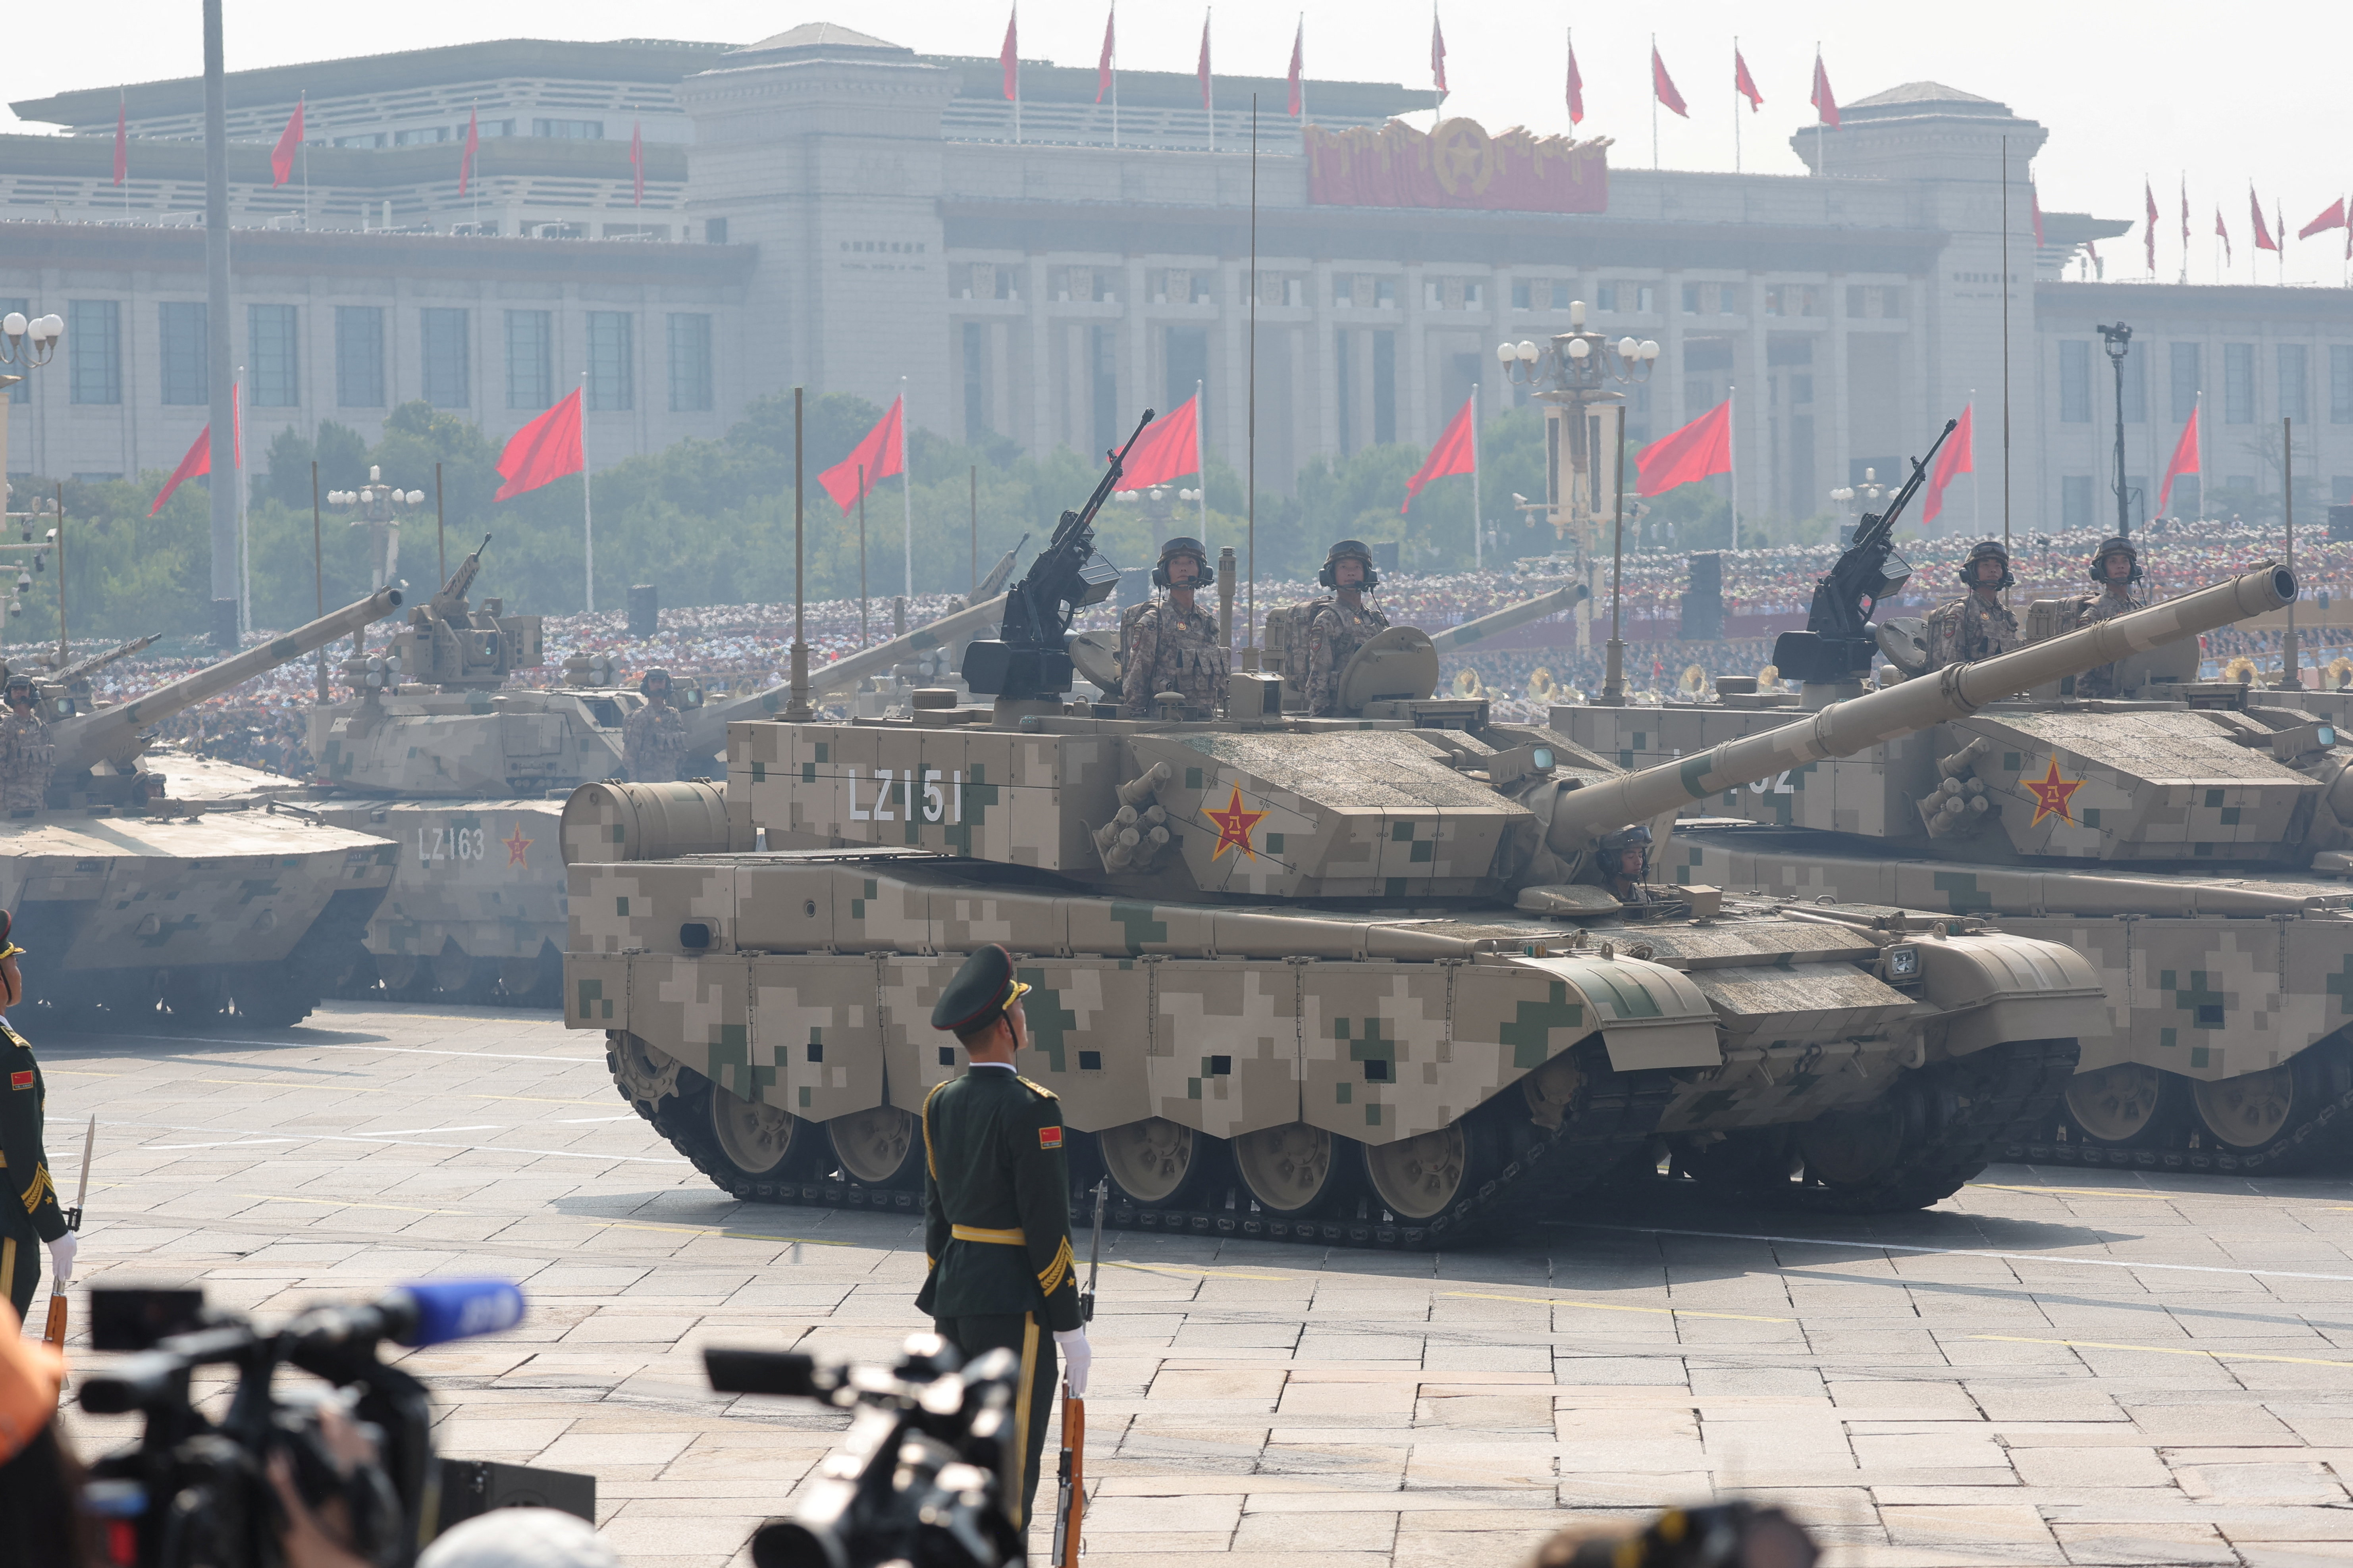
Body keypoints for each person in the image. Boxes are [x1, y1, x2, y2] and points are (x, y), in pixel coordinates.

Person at [918, 943, 1090, 1534]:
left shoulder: (940, 1102)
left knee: (957, 1458)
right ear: (1004, 1026)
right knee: (1010, 1469)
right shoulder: (1033, 1109)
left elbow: (937, 1219)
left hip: (955, 1299)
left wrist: (950, 1286)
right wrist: (1068, 1324)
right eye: (1019, 1009)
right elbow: (1046, 1226)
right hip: (1014, 1305)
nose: (1025, 1018)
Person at [0, 913, 69, 1322]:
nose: (18, 972)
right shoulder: (11, 1055)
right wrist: (55, 1230)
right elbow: (24, 1155)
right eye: (12, 963)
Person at [1119, 537, 1227, 716]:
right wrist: (1134, 719)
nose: (1183, 568)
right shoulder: (1154, 621)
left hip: (1205, 719)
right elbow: (1137, 676)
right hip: (1165, 722)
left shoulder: (1208, 623)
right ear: (1164, 572)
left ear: (1202, 570)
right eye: (1176, 563)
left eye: (1190, 562)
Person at [1305, 540, 1391, 717]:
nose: (1351, 573)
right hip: (1338, 715)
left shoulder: (1375, 620)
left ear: (1367, 575)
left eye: (1357, 568)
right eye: (1344, 567)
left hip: (1370, 711)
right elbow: (1318, 677)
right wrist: (1323, 720)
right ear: (1332, 575)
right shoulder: (1329, 619)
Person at [2068, 536, 2147, 699]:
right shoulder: (2095, 613)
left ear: (2133, 568)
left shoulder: (2139, 609)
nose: (2120, 566)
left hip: (2135, 695)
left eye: (2125, 561)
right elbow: (2083, 669)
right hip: (2105, 699)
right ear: (2101, 570)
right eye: (2113, 562)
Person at [1923, 541, 2018, 670]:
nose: (1993, 570)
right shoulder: (1961, 611)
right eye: (1985, 565)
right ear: (1971, 572)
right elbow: (1952, 664)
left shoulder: (2008, 616)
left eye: (1998, 566)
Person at [621, 668, 689, 783]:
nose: (658, 685)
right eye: (654, 681)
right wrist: (634, 785)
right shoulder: (639, 717)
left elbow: (680, 751)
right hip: (648, 784)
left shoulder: (674, 715)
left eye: (661, 682)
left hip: (671, 780)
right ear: (646, 686)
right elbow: (630, 756)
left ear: (667, 685)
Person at [0, 672, 53, 813]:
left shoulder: (41, 727)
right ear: (9, 696)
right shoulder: (6, 729)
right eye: (14, 690)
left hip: (37, 801)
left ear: (32, 694)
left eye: (23, 689)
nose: (18, 692)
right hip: (12, 804)